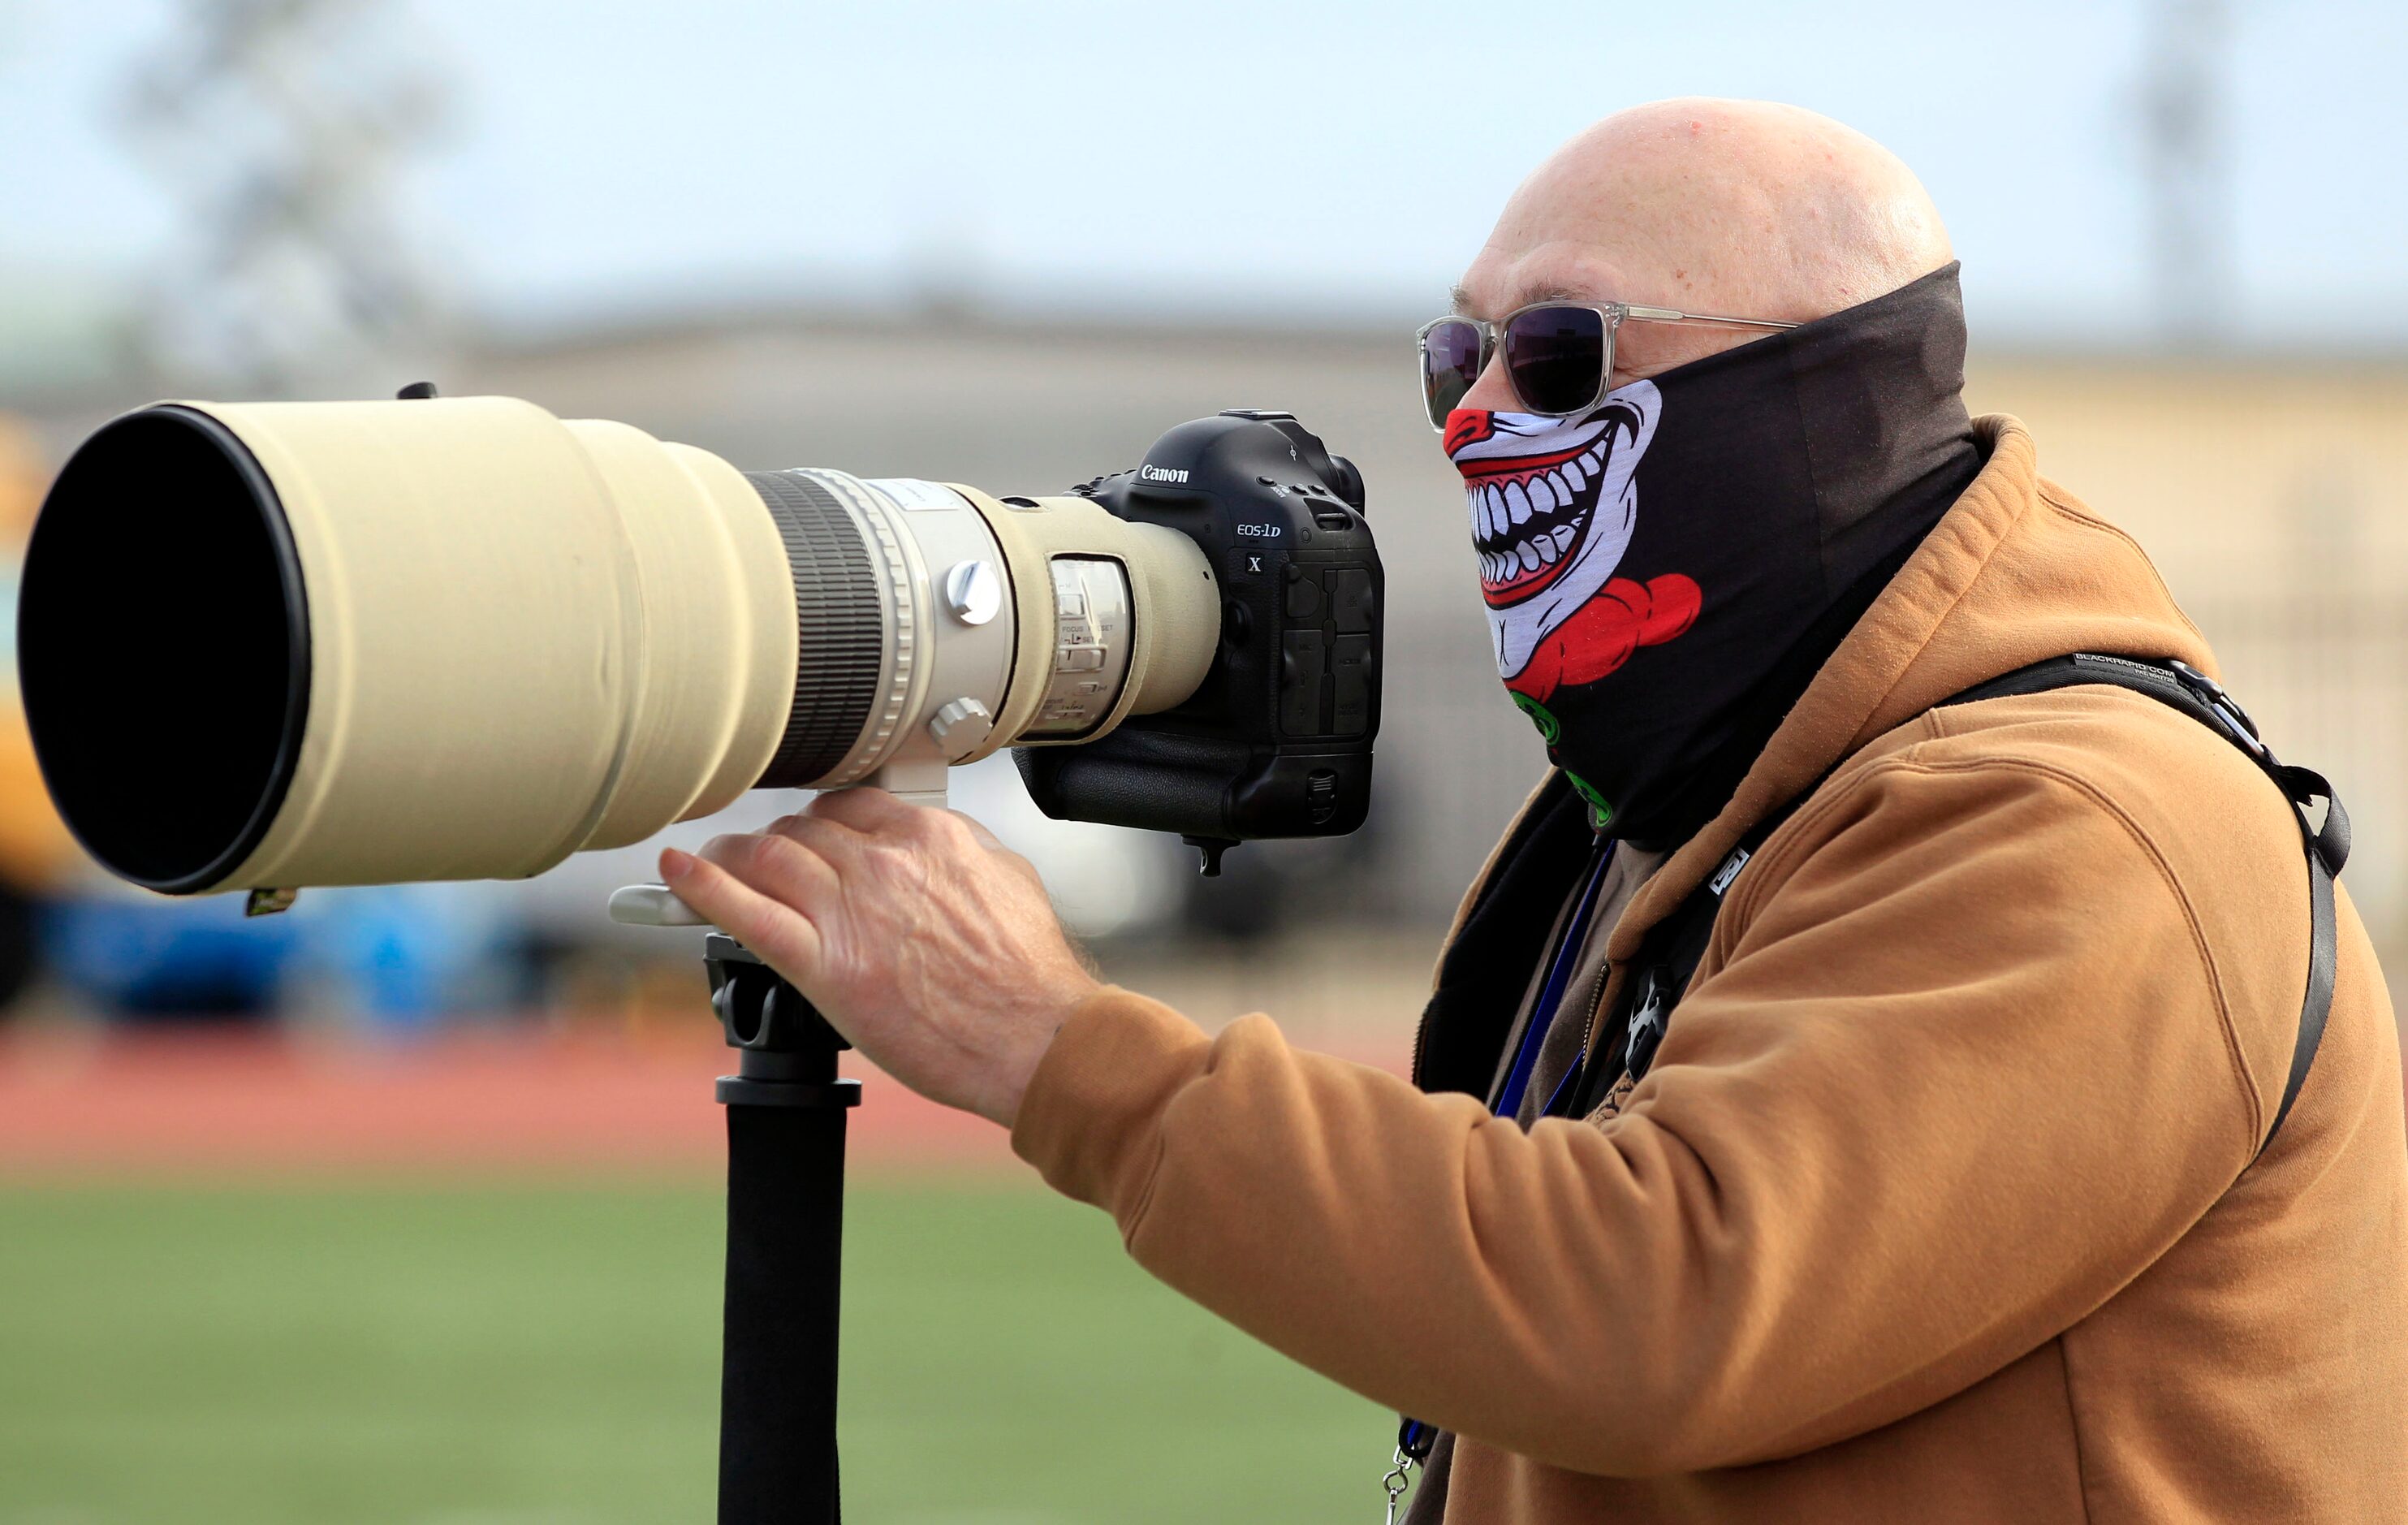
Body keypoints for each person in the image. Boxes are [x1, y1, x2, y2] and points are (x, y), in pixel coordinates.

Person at [660, 99, 2408, 1522]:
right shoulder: (1706, 792)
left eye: (1559, 353)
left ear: (1825, 394)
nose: (1479, 418)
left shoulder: (2083, 826)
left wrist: (1056, 1049)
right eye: (1455, 361)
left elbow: (1653, 1300)